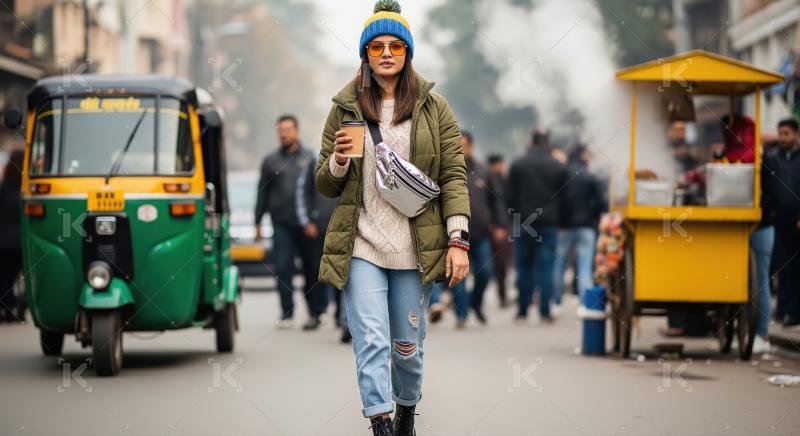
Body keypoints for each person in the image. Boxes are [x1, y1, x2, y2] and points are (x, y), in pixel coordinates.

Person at [314, 2, 470, 433]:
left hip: (414, 246)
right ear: (365, 54)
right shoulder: (345, 109)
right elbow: (325, 185)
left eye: (396, 46)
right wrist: (339, 163)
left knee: (407, 346)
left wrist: (458, 241)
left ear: (407, 53)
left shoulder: (434, 109)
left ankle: (405, 409)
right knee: (371, 338)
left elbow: (454, 176)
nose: (386, 53)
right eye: (377, 46)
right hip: (362, 244)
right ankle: (379, 421)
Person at [255, 115, 328, 330]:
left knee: (312, 268)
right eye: (280, 130)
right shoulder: (270, 161)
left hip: (307, 225)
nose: (284, 133)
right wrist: (257, 221)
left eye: (288, 129)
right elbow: (262, 192)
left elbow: (319, 193)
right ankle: (286, 312)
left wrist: (316, 219)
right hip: (281, 223)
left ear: (296, 130)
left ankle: (316, 312)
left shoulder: (310, 158)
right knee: (283, 267)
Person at [428, 131, 506, 327]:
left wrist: (500, 224)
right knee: (458, 275)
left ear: (470, 147)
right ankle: (462, 315)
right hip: (454, 234)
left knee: (485, 272)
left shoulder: (483, 171)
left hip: (481, 233)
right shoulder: (443, 168)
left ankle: (475, 303)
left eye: (464, 145)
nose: (460, 149)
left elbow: (496, 200)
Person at [506, 128, 568, 322]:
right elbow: (565, 198)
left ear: (531, 142)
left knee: (523, 266)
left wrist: (514, 217)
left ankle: (523, 309)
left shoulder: (518, 164)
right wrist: (561, 221)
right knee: (546, 267)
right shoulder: (558, 167)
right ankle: (545, 311)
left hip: (523, 222)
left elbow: (508, 195)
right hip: (549, 223)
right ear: (548, 143)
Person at [553, 145, 604, 312]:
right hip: (586, 226)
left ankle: (557, 302)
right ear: (583, 155)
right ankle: (584, 303)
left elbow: (557, 201)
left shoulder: (562, 175)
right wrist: (593, 218)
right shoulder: (590, 176)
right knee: (585, 265)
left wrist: (560, 221)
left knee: (559, 264)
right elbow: (600, 203)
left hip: (565, 227)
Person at [773, 118, 800, 327]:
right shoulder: (774, 159)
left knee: (795, 267)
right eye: (780, 134)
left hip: (797, 221)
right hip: (779, 221)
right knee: (782, 266)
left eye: (786, 134)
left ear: (796, 134)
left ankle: (794, 311)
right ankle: (783, 310)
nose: (782, 138)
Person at [0, 149, 24, 323]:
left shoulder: (3, 189)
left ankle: (8, 312)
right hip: (23, 241)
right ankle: (22, 307)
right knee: (29, 278)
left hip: (4, 242)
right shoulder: (27, 191)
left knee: (6, 279)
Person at [488, 153, 512, 308]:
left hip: (505, 227)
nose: (501, 167)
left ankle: (503, 295)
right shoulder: (487, 180)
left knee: (502, 264)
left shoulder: (505, 181)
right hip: (490, 227)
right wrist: (494, 226)